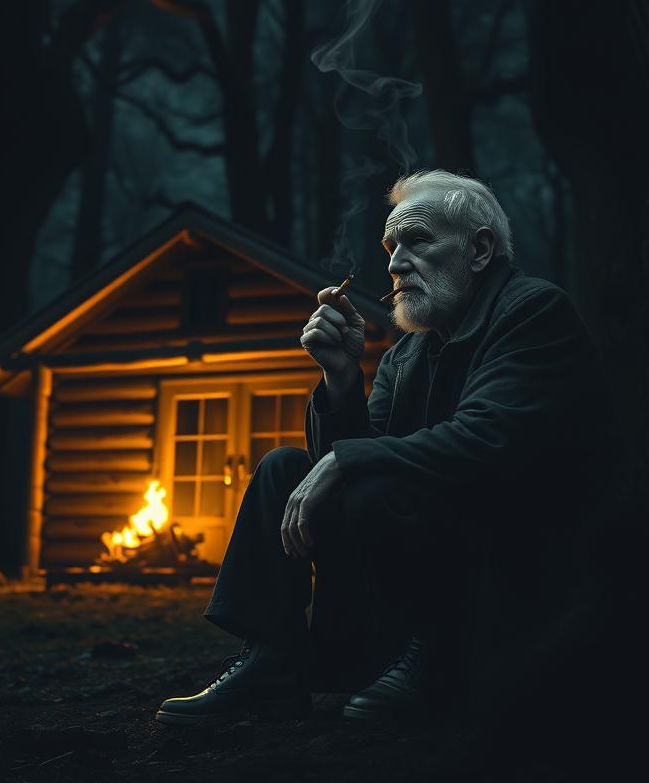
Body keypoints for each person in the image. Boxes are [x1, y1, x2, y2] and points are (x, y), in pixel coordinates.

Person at [156, 170, 615, 725]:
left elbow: (485, 438)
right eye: (390, 247)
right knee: (283, 470)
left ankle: (436, 661)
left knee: (369, 477)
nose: (395, 264)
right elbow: (356, 460)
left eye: (417, 241)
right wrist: (342, 378)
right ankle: (272, 664)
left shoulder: (533, 311)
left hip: (509, 576)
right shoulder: (407, 352)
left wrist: (348, 458)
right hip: (415, 562)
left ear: (479, 248)